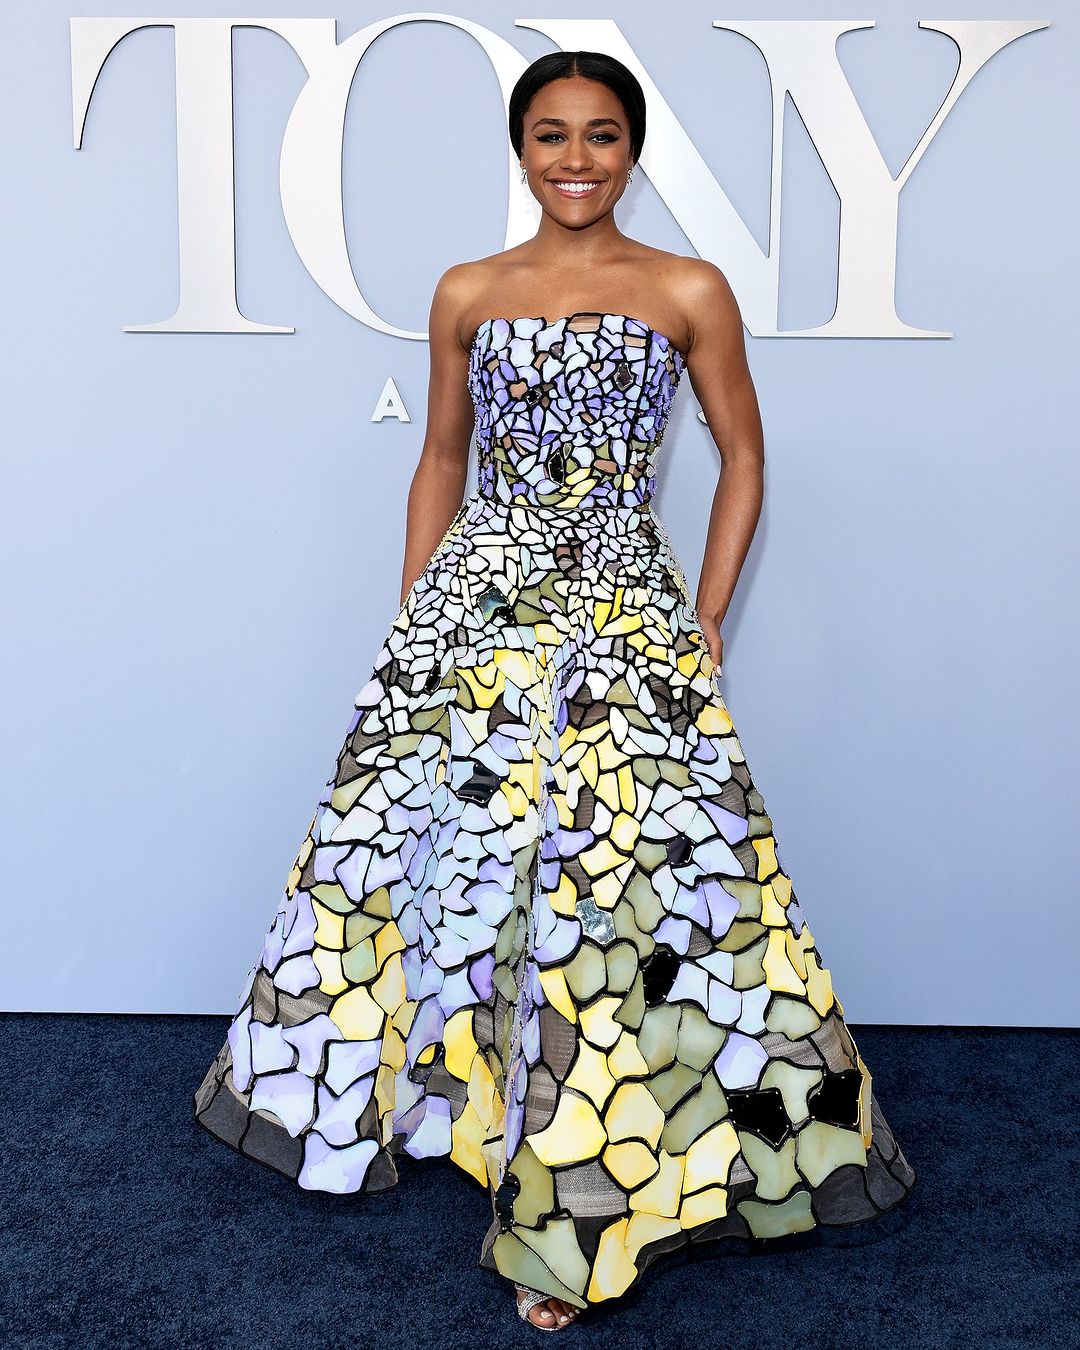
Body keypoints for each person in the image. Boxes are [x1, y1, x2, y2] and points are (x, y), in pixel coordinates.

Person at [194, 49, 916, 1333]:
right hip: (477, 611)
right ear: (519, 149)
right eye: (548, 136)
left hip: (623, 616)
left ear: (632, 150)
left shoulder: (687, 288)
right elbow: (439, 456)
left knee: (622, 890)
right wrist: (417, 613)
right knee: (442, 867)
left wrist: (700, 619)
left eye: (598, 136)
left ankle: (593, 1201)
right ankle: (460, 1115)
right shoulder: (468, 290)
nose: (573, 159)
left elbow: (746, 457)